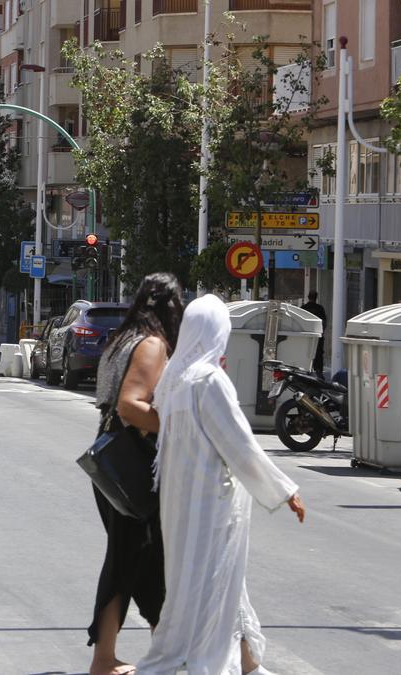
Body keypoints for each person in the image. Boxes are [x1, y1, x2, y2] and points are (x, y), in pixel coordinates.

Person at [136, 294, 306, 675]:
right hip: (211, 507)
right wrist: (284, 490)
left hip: (179, 506)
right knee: (211, 587)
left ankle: (248, 663)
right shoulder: (208, 381)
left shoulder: (173, 382)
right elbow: (239, 445)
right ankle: (204, 663)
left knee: (216, 584)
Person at [88, 272, 185, 675]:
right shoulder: (151, 344)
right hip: (132, 463)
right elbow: (130, 406)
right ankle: (104, 658)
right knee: (128, 560)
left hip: (112, 458)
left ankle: (164, 649)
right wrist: (181, 426)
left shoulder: (121, 339)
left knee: (143, 560)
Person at [301, 291, 327, 375]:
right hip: (318, 336)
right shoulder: (320, 308)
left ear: (308, 297)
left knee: (306, 353)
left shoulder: (303, 308)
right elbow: (324, 323)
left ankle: (306, 371)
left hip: (306, 336)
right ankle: (319, 373)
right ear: (316, 298)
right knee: (318, 354)